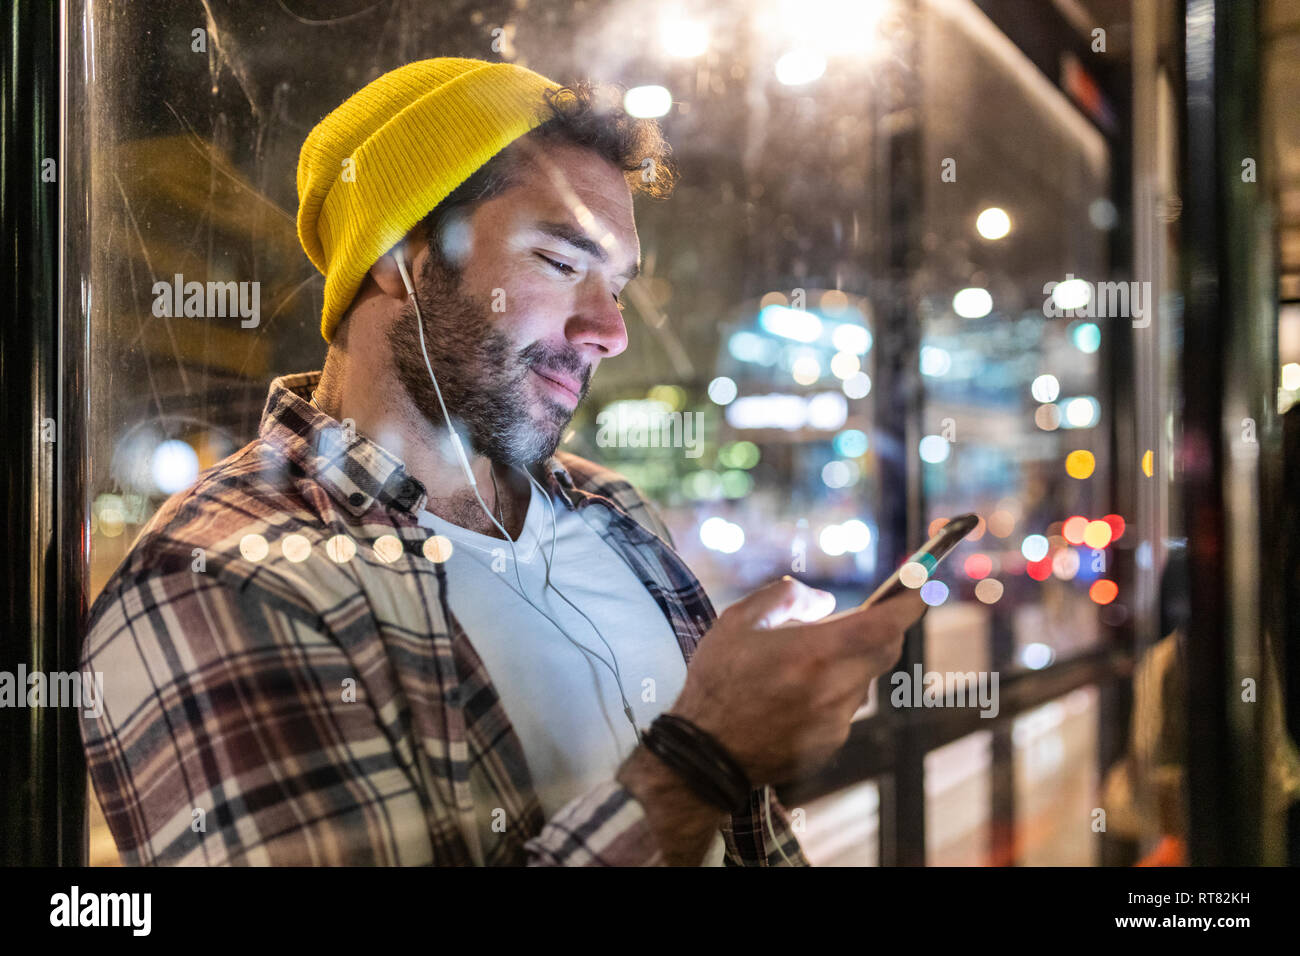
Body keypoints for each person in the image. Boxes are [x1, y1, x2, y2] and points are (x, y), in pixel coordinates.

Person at [79, 57, 923, 866]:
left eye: (618, 287)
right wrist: (706, 758)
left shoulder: (612, 509)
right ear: (401, 259)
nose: (611, 330)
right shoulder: (221, 577)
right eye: (560, 263)